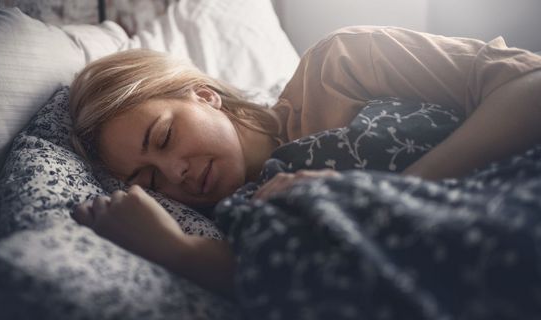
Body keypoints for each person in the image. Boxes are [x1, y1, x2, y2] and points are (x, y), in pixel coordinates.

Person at [69, 26, 541, 299]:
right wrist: (172, 248)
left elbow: (530, 84)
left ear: (204, 96)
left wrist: (386, 194)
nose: (177, 175)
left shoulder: (339, 64)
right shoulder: (245, 217)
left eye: (166, 137)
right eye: (150, 180)